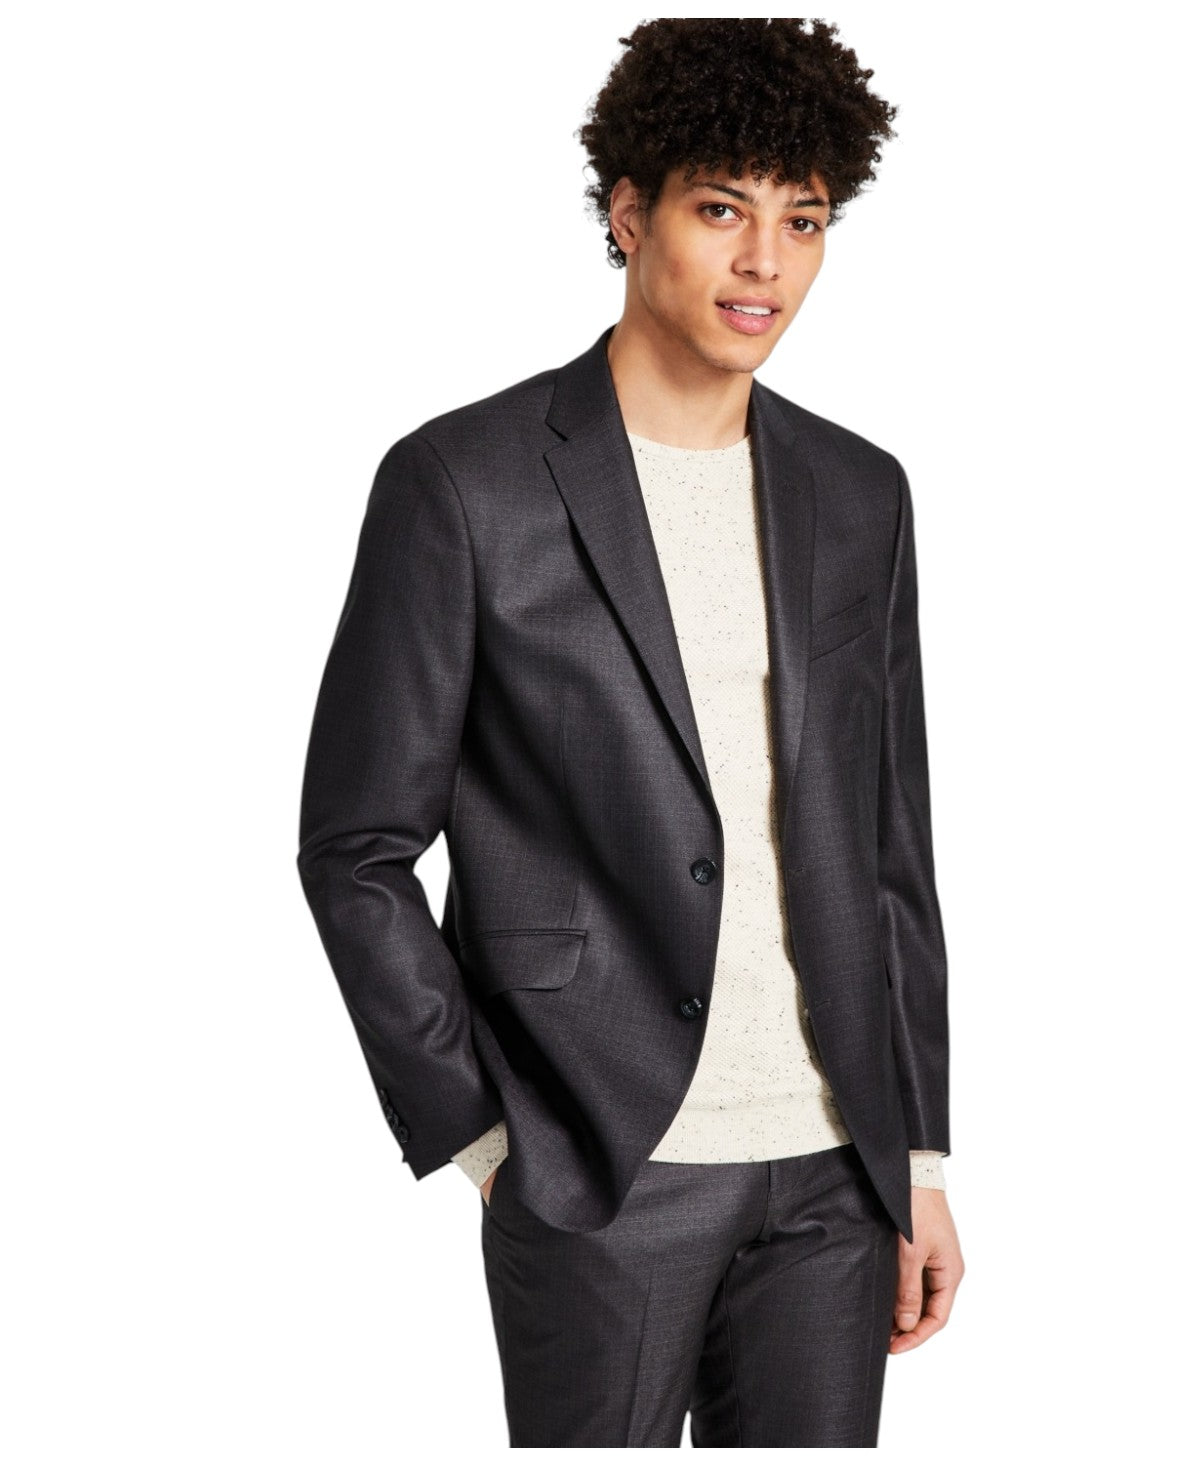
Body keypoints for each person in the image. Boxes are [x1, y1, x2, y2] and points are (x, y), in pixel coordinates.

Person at [296, 16, 964, 1448]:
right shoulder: (464, 484)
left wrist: (919, 1156)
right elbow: (356, 846)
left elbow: (889, 847)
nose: (764, 263)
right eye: (722, 210)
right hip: (600, 1163)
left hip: (836, 1169)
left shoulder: (862, 493)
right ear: (628, 215)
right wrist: (483, 1137)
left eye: (802, 221)